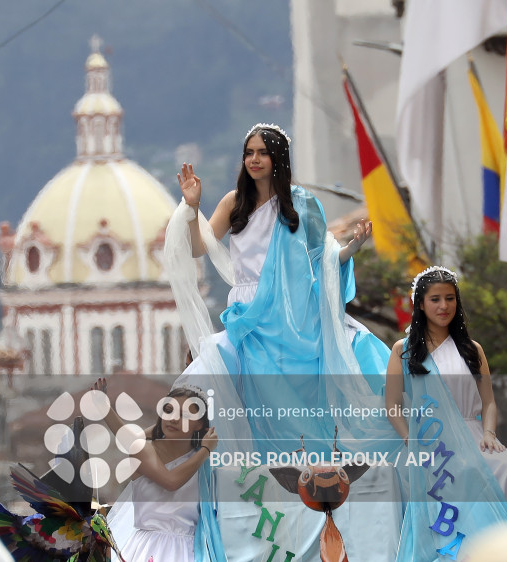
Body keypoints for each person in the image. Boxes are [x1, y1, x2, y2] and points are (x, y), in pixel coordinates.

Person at [165, 123, 402, 561]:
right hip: (251, 319)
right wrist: (190, 206)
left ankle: (327, 486)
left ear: (278, 158)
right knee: (215, 377)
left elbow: (324, 258)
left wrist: (352, 248)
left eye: (263, 152)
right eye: (248, 152)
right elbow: (200, 247)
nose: (254, 159)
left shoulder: (303, 204)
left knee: (356, 358)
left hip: (296, 314)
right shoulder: (233, 203)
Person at [385, 266, 507, 561]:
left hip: (473, 434)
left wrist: (489, 433)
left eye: (450, 298)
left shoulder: (473, 350)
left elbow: (488, 403)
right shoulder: (403, 350)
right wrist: (411, 440)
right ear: (420, 304)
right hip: (432, 443)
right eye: (435, 299)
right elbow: (392, 405)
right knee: (467, 472)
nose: (444, 306)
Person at [93, 378, 217, 562]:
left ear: (200, 425)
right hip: (149, 549)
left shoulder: (201, 462)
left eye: (184, 415)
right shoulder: (145, 450)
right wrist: (206, 450)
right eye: (168, 411)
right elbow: (171, 482)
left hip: (193, 551)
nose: (174, 418)